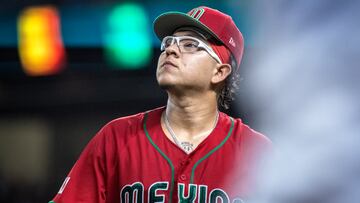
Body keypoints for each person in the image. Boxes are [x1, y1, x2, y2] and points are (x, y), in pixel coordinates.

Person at [49, 6, 271, 203]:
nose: (170, 50)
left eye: (191, 45)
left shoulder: (256, 152)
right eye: (169, 42)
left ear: (220, 71)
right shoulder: (116, 137)